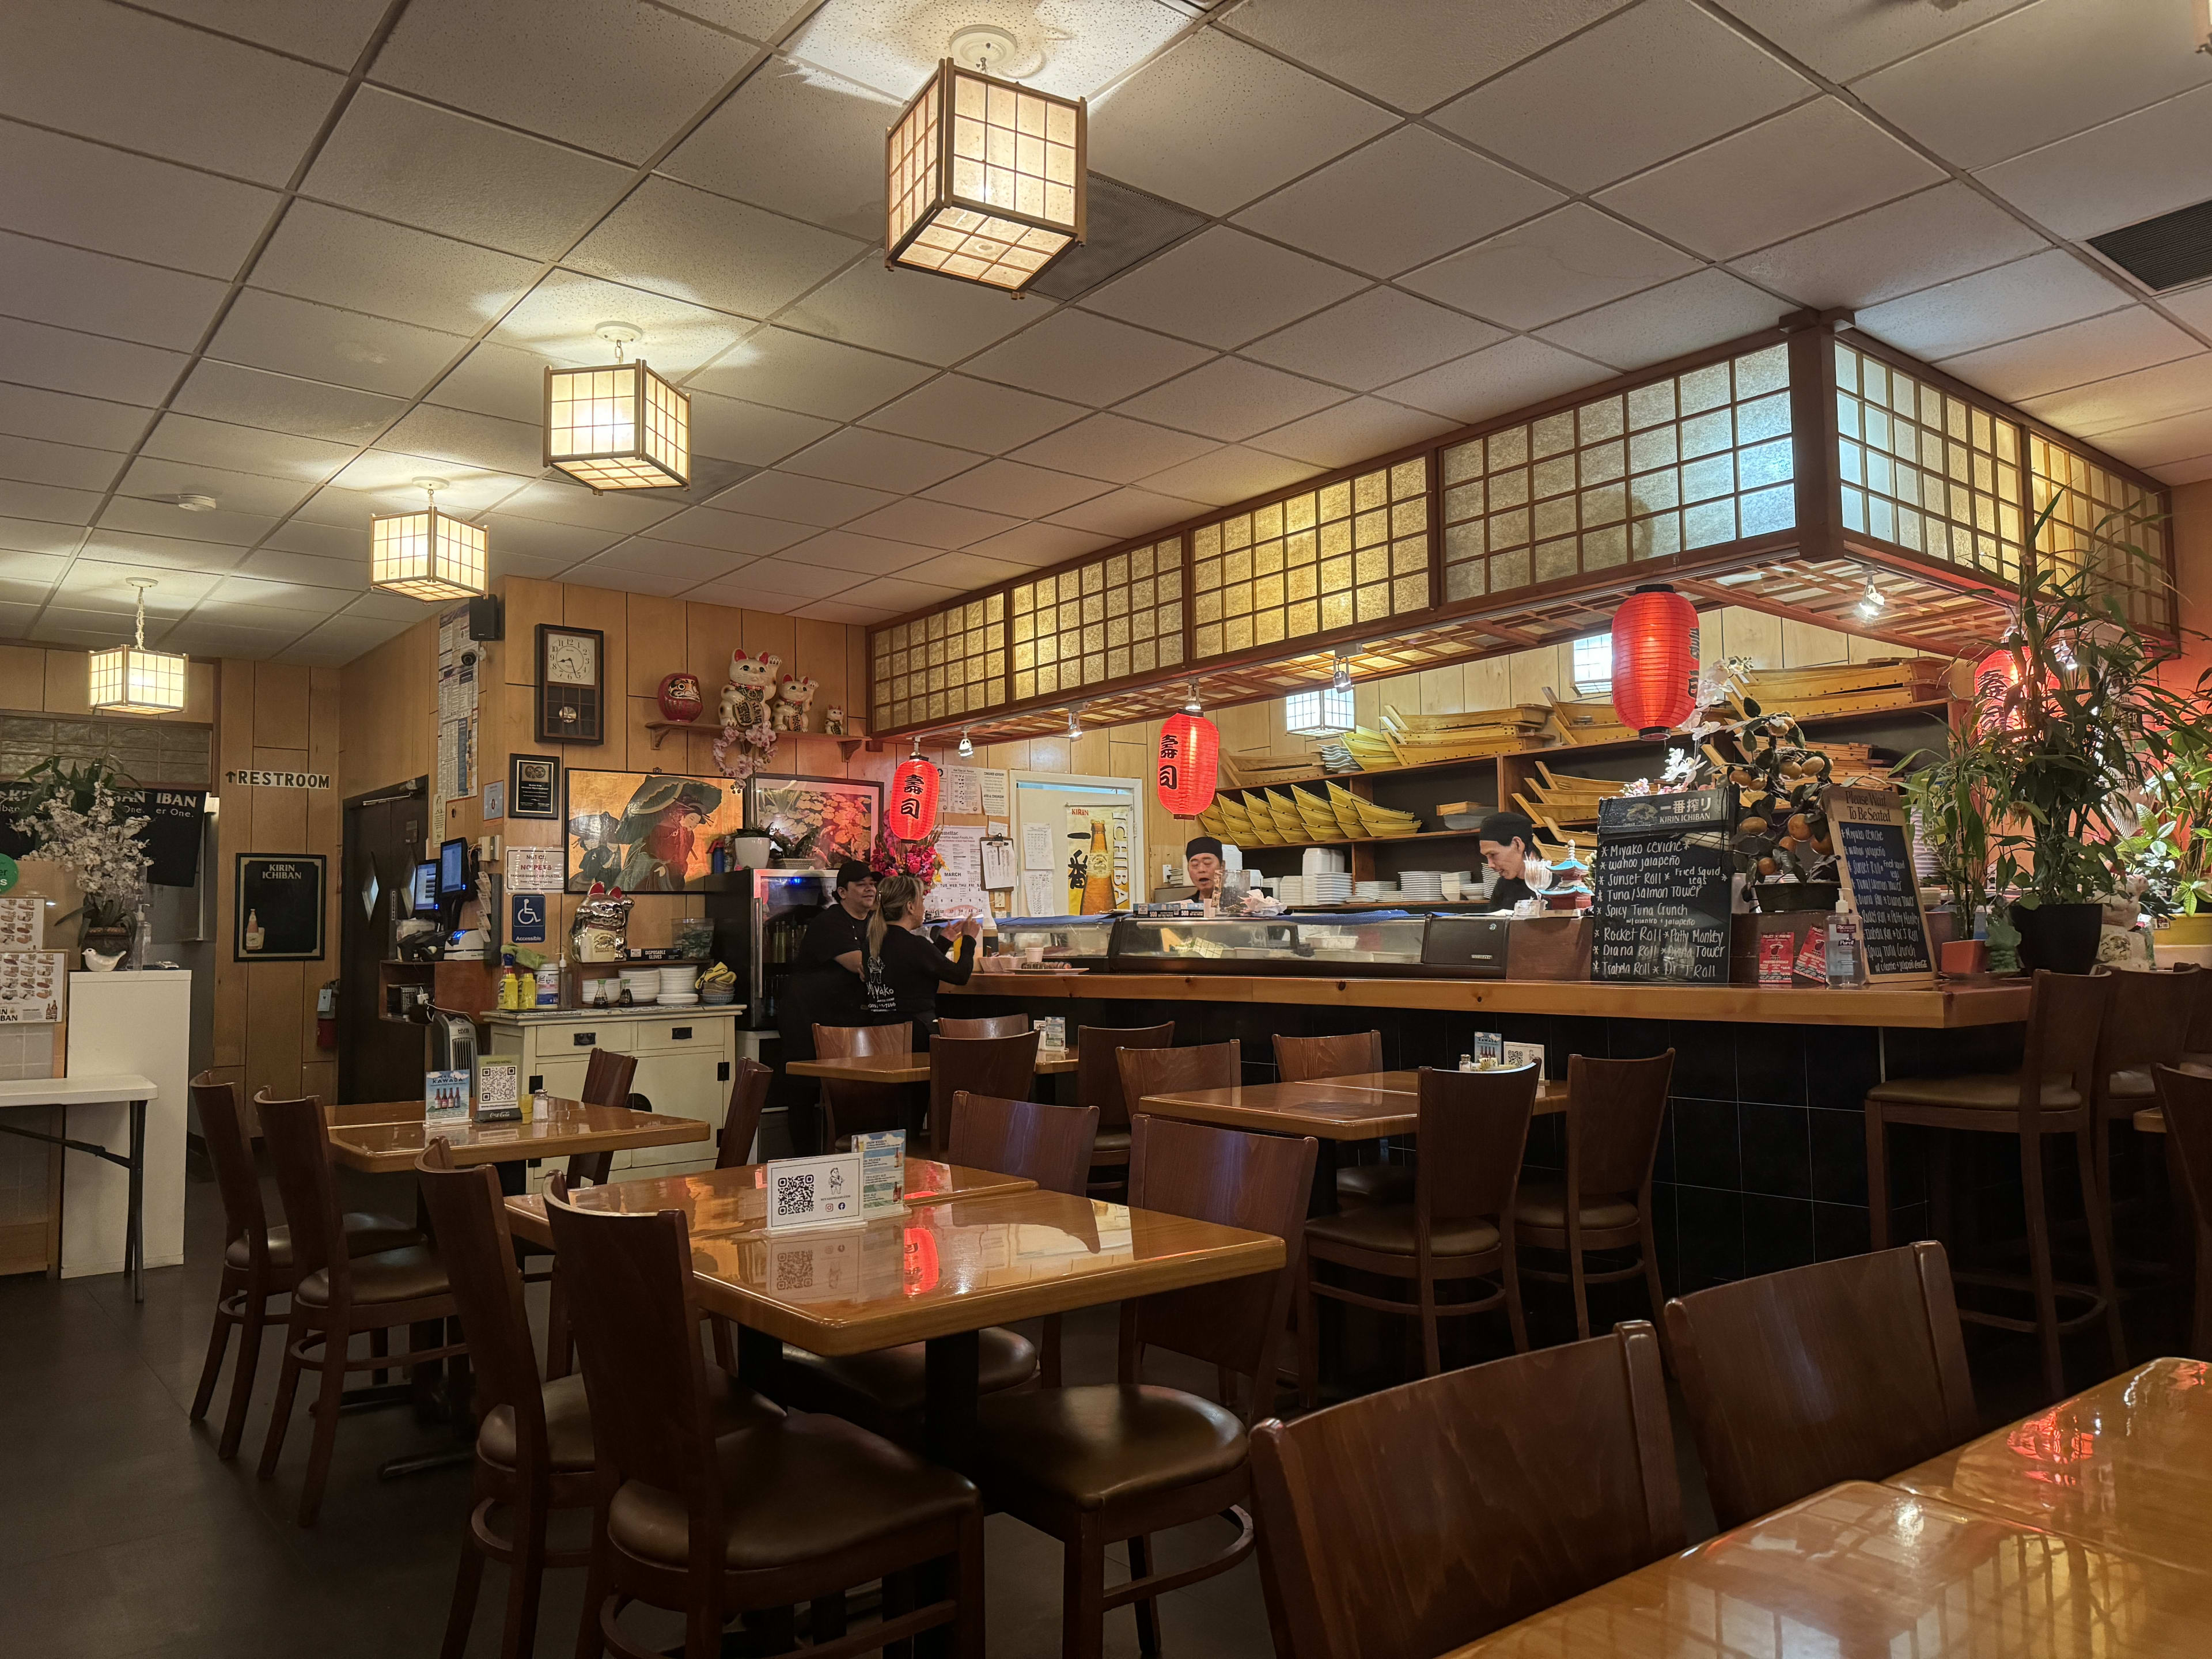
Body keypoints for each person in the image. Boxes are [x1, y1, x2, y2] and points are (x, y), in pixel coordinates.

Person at [776, 861, 877, 1151]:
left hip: (842, 1021)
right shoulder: (830, 923)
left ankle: (842, 1163)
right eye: (861, 884)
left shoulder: (872, 922)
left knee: (846, 1093)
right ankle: (804, 1163)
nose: (870, 888)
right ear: (842, 893)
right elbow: (863, 966)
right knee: (804, 1094)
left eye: (872, 883)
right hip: (807, 1019)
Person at [838, 873, 980, 1035]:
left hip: (880, 1034)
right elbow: (960, 976)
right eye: (922, 901)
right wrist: (969, 939)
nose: (924, 908)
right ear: (910, 906)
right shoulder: (915, 944)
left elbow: (915, 965)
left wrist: (944, 941)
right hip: (917, 1033)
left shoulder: (872, 942)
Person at [1476, 811, 1554, 910]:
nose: (1490, 865)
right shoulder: (1503, 885)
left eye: (1493, 855)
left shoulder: (1558, 886)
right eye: (1486, 856)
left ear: (1517, 844)